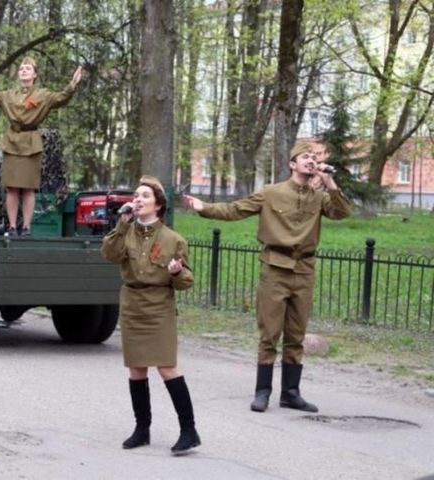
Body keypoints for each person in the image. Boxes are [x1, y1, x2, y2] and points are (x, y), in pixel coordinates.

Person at [183, 142, 351, 413]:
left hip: (304, 270)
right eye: (305, 157)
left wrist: (329, 181)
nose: (311, 161)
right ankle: (263, 392)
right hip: (275, 268)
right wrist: (204, 207)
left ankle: (291, 393)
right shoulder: (272, 193)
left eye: (314, 157)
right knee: (269, 334)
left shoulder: (319, 197)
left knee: (296, 335)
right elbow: (236, 209)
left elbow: (342, 212)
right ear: (292, 164)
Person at [101, 175, 201, 456]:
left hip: (158, 307)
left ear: (158, 205)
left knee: (167, 366)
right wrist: (122, 223)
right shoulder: (126, 231)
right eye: (136, 195)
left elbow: (187, 281)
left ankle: (189, 430)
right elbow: (109, 254)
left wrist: (177, 273)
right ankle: (142, 429)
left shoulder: (173, 240)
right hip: (132, 305)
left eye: (145, 196)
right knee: (136, 368)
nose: (138, 199)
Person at [0, 58, 83, 236]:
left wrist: (72, 84)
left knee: (29, 188)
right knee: (12, 188)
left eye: (28, 68)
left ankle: (26, 227)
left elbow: (61, 98)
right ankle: (13, 226)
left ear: (35, 74)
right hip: (12, 143)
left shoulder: (43, 95)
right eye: (21, 68)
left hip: (31, 143)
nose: (23, 70)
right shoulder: (8, 95)